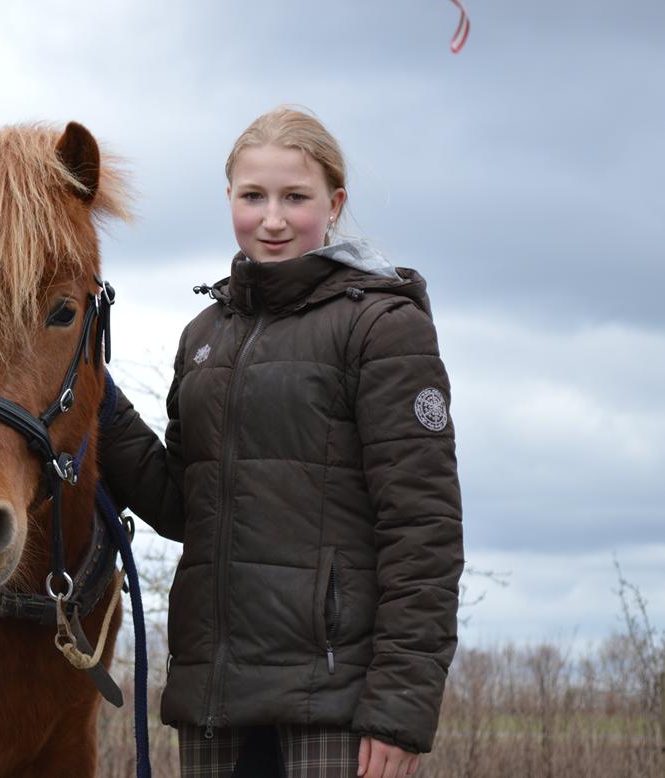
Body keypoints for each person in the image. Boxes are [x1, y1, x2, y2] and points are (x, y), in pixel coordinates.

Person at [100, 107, 463, 778]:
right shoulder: (204, 337)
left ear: (335, 203)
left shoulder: (383, 327)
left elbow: (423, 532)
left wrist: (399, 710)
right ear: (229, 199)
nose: (272, 219)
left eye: (295, 197)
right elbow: (184, 506)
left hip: (335, 706)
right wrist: (100, 405)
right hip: (216, 702)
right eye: (253, 196)